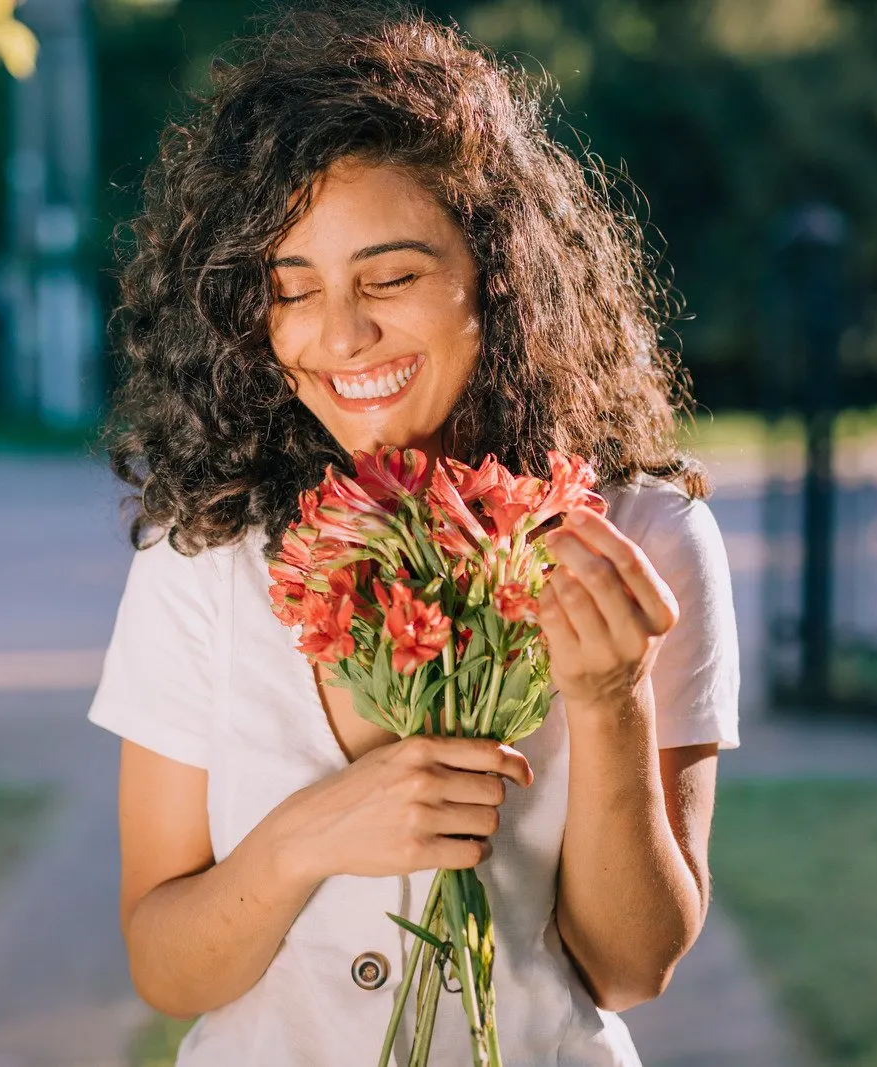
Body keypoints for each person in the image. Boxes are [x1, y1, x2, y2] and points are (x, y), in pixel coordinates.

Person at [88, 6, 741, 1064]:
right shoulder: (204, 553)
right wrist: (310, 834)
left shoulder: (643, 535)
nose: (338, 336)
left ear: (500, 273)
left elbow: (630, 966)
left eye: (389, 277)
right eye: (289, 291)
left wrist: (611, 700)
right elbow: (167, 967)